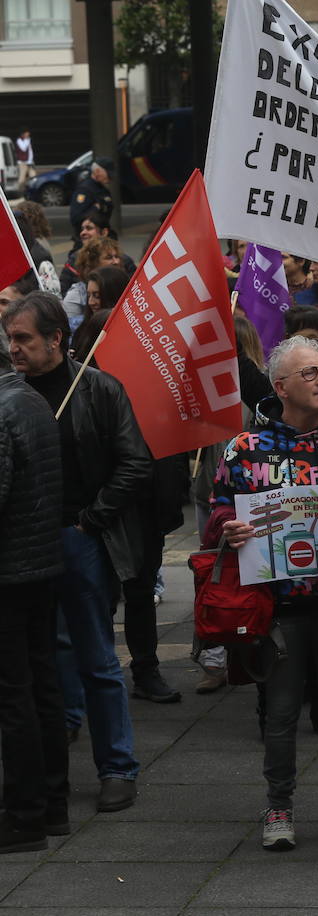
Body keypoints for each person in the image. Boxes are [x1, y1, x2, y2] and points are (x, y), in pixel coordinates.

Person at [214, 336, 318, 851]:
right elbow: (217, 509)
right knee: (282, 712)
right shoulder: (246, 449)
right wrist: (228, 528)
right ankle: (279, 807)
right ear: (280, 387)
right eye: (309, 373)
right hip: (279, 605)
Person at [3, 291, 147, 814]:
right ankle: (55, 741)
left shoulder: (99, 390)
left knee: (95, 656)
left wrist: (91, 520)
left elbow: (135, 462)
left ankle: (117, 767)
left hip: (77, 536)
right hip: (25, 545)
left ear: (57, 339)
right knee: (43, 654)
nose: (13, 349)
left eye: (23, 339)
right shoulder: (10, 395)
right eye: (10, 338)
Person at [0, 324, 69, 853]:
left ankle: (24, 818)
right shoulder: (27, 400)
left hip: (9, 572)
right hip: (41, 564)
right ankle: (52, 806)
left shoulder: (3, 409)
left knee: (14, 696)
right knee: (43, 688)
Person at [68, 158, 114, 237]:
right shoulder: (84, 190)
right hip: (87, 239)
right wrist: (95, 208)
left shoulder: (103, 189)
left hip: (103, 236)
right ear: (97, 171)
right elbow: (75, 219)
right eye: (108, 173)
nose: (110, 177)